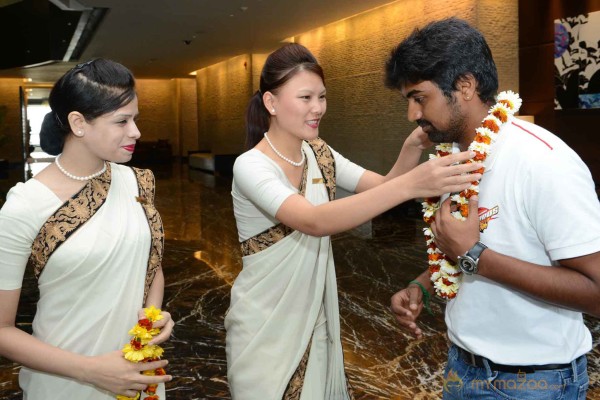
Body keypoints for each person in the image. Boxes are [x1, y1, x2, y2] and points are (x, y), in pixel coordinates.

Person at [225, 43, 483, 400]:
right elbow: (313, 220)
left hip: (315, 317)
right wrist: (413, 183)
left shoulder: (319, 152)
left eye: (322, 97)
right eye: (305, 98)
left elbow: (381, 188)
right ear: (271, 102)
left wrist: (411, 147)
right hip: (265, 321)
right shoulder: (252, 165)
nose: (318, 109)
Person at [387, 17, 600, 399]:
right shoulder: (452, 158)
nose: (413, 115)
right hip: (460, 367)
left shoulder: (542, 161)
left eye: (420, 98)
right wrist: (424, 281)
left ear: (465, 86)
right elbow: (497, 242)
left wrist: (473, 256)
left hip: (533, 383)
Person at [0, 59, 175, 399]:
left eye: (134, 118)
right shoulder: (25, 206)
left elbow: (150, 265)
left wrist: (154, 315)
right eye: (121, 121)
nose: (136, 131)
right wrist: (91, 370)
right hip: (66, 381)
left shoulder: (137, 183)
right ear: (78, 123)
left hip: (136, 374)